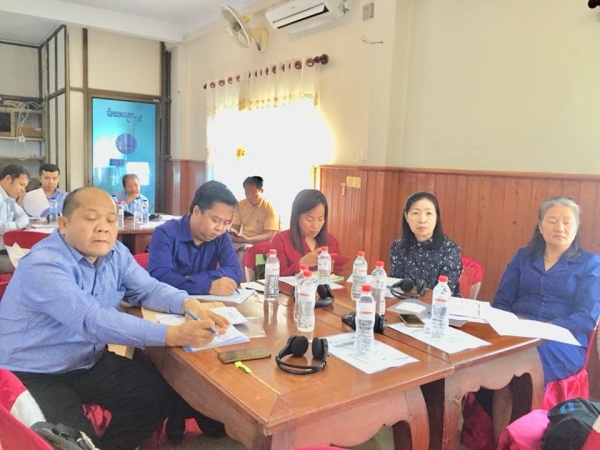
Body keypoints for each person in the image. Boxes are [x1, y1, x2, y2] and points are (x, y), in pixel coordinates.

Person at [0, 186, 230, 450]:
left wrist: (187, 303)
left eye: (111, 220)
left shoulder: (116, 254)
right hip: (33, 371)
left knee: (157, 396)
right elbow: (93, 320)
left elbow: (148, 288)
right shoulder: (45, 263)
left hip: (86, 360)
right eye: (91, 218)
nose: (103, 228)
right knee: (74, 442)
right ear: (63, 224)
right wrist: (173, 335)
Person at [469, 197, 600, 442]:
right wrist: (509, 323)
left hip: (563, 341)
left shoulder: (590, 264)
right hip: (517, 332)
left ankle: (518, 440)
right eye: (552, 221)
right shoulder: (523, 257)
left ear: (576, 227)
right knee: (486, 357)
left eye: (567, 222)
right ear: (540, 227)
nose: (560, 227)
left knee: (515, 364)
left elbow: (586, 317)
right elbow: (502, 302)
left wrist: (546, 327)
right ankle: (502, 442)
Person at [148, 180, 242, 295]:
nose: (220, 228)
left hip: (207, 302)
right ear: (196, 211)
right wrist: (206, 286)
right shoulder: (165, 233)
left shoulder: (221, 236)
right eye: (215, 220)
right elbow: (159, 277)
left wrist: (193, 279)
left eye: (226, 222)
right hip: (170, 302)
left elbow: (235, 272)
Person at [389, 191, 462, 295]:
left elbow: (445, 291)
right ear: (406, 216)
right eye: (415, 213)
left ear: (436, 217)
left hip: (440, 303)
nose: (422, 220)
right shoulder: (398, 247)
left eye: (429, 213)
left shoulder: (450, 249)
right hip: (404, 302)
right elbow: (396, 285)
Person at [270, 189, 348, 277]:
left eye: (320, 219)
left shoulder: (331, 241)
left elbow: (338, 275)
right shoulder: (281, 240)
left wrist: (332, 269)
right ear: (297, 217)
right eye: (309, 219)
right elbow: (275, 277)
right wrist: (300, 264)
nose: (315, 225)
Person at [230, 176, 279, 275]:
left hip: (262, 244)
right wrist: (232, 233)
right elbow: (235, 227)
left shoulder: (269, 208)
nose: (250, 197)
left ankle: (244, 282)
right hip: (244, 242)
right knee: (226, 247)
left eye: (253, 193)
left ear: (261, 191)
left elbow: (269, 235)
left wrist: (248, 240)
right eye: (247, 193)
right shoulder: (240, 204)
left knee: (243, 255)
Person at [0, 164, 30, 273]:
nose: (23, 191)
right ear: (8, 179)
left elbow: (24, 217)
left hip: (6, 249)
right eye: (21, 184)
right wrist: (15, 226)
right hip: (2, 253)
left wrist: (15, 225)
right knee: (29, 266)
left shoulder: (9, 198)